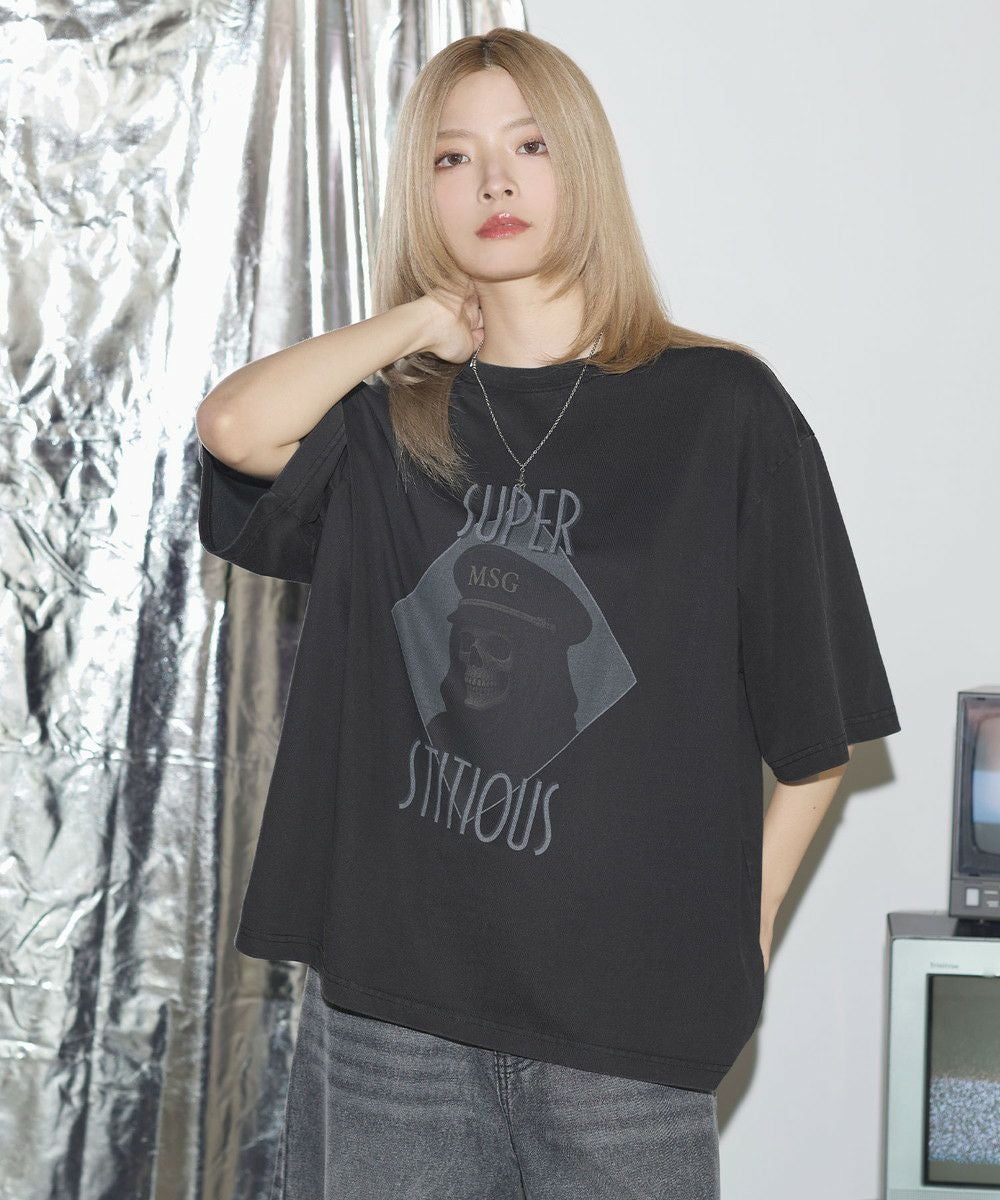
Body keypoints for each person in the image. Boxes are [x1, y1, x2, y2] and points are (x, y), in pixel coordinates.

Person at [195, 27, 901, 1200]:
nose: (494, 183)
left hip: (623, 1026)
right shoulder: (386, 425)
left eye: (528, 146)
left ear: (582, 165)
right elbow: (234, 430)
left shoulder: (721, 410)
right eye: (452, 158)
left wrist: (743, 932)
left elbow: (815, 736)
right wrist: (414, 326)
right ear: (423, 193)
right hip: (393, 1017)